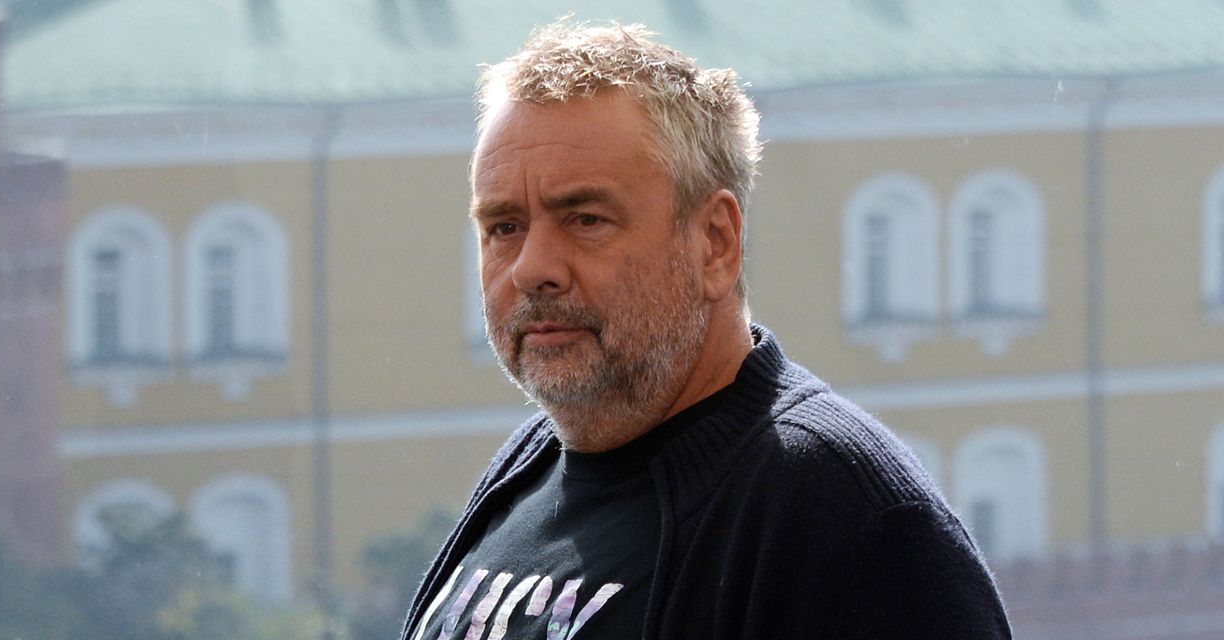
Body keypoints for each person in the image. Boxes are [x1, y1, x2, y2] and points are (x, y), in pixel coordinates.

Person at [400, 22, 1012, 640]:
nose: (532, 269)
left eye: (585, 219)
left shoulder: (845, 518)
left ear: (715, 242)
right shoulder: (530, 463)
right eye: (504, 228)